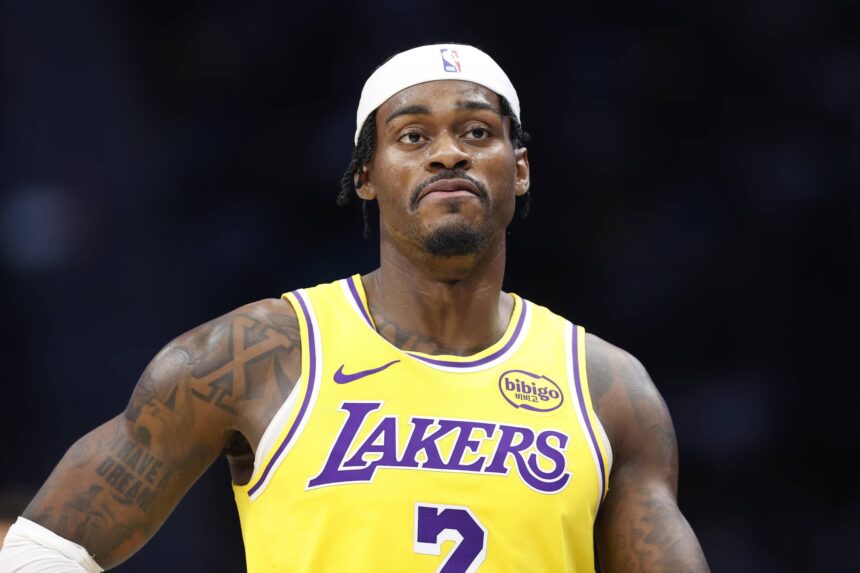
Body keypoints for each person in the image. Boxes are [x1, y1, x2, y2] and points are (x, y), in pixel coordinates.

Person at [0, 44, 710, 572]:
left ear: (518, 168)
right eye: (412, 136)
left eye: (476, 132)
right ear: (366, 174)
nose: (447, 155)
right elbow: (45, 548)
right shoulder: (254, 354)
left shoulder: (608, 389)